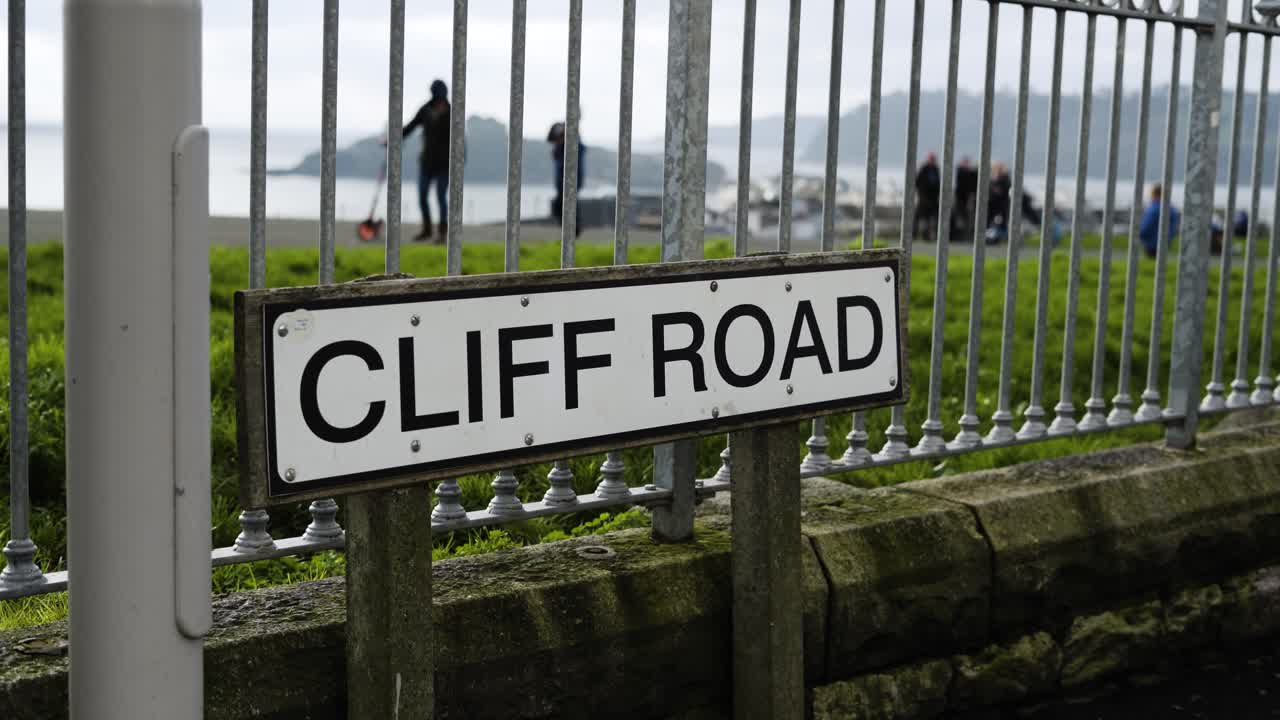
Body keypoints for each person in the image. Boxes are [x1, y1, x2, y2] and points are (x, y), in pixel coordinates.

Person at [402, 79, 451, 242]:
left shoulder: (453, 113)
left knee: (441, 197)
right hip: (427, 162)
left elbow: (460, 140)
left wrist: (460, 160)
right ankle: (427, 230)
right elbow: (411, 126)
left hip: (445, 164)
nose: (439, 101)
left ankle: (443, 233)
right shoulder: (425, 110)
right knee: (422, 196)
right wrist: (394, 138)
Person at [548, 122, 586, 237]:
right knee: (564, 204)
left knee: (562, 205)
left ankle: (573, 231)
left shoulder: (572, 146)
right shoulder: (562, 147)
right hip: (564, 181)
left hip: (570, 180)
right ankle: (571, 231)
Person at [1138, 183, 1180, 259]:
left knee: (1151, 264)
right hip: (1166, 241)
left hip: (1151, 242)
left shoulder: (1153, 208)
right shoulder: (1172, 208)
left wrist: (1140, 235)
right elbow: (1174, 227)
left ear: (1155, 194)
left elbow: (1146, 226)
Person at [914, 152, 941, 242]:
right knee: (919, 217)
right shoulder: (924, 168)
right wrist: (921, 194)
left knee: (930, 218)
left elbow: (938, 184)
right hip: (923, 198)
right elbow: (917, 182)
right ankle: (914, 234)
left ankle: (927, 236)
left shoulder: (936, 169)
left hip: (933, 199)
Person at [985, 162, 1012, 244]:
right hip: (992, 204)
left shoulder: (1005, 178)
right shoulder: (992, 179)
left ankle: (1001, 237)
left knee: (1002, 222)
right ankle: (990, 237)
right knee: (990, 221)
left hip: (1002, 204)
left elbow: (1004, 189)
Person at [952, 156, 978, 242]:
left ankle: (968, 236)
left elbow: (974, 185)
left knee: (969, 218)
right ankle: (959, 235)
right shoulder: (960, 171)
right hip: (960, 200)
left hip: (969, 199)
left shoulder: (972, 173)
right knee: (960, 218)